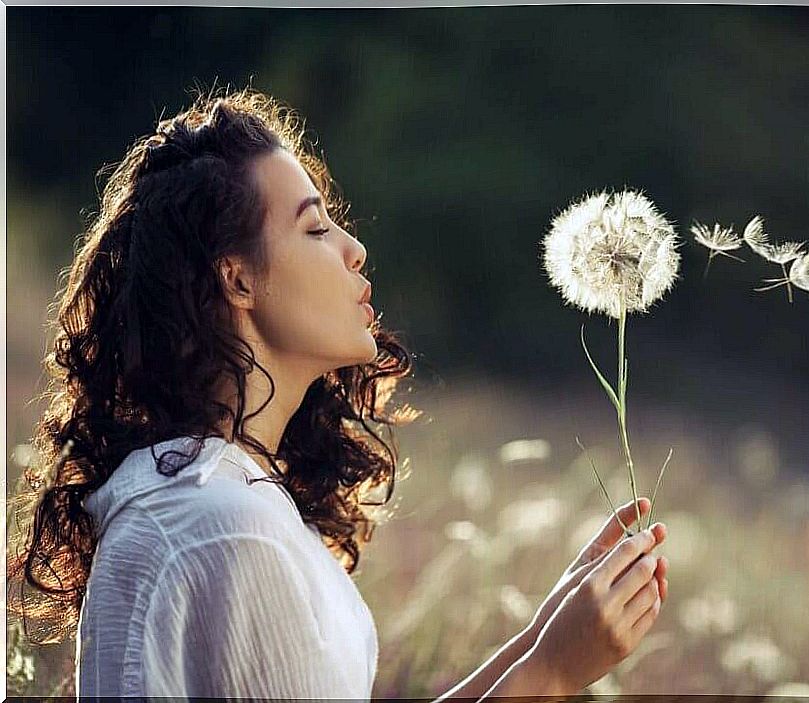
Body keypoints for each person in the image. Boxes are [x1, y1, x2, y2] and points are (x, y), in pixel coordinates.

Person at [6, 84, 669, 701]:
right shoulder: (229, 531)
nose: (354, 249)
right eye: (316, 228)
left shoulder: (207, 495)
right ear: (236, 280)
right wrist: (549, 673)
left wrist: (539, 636)